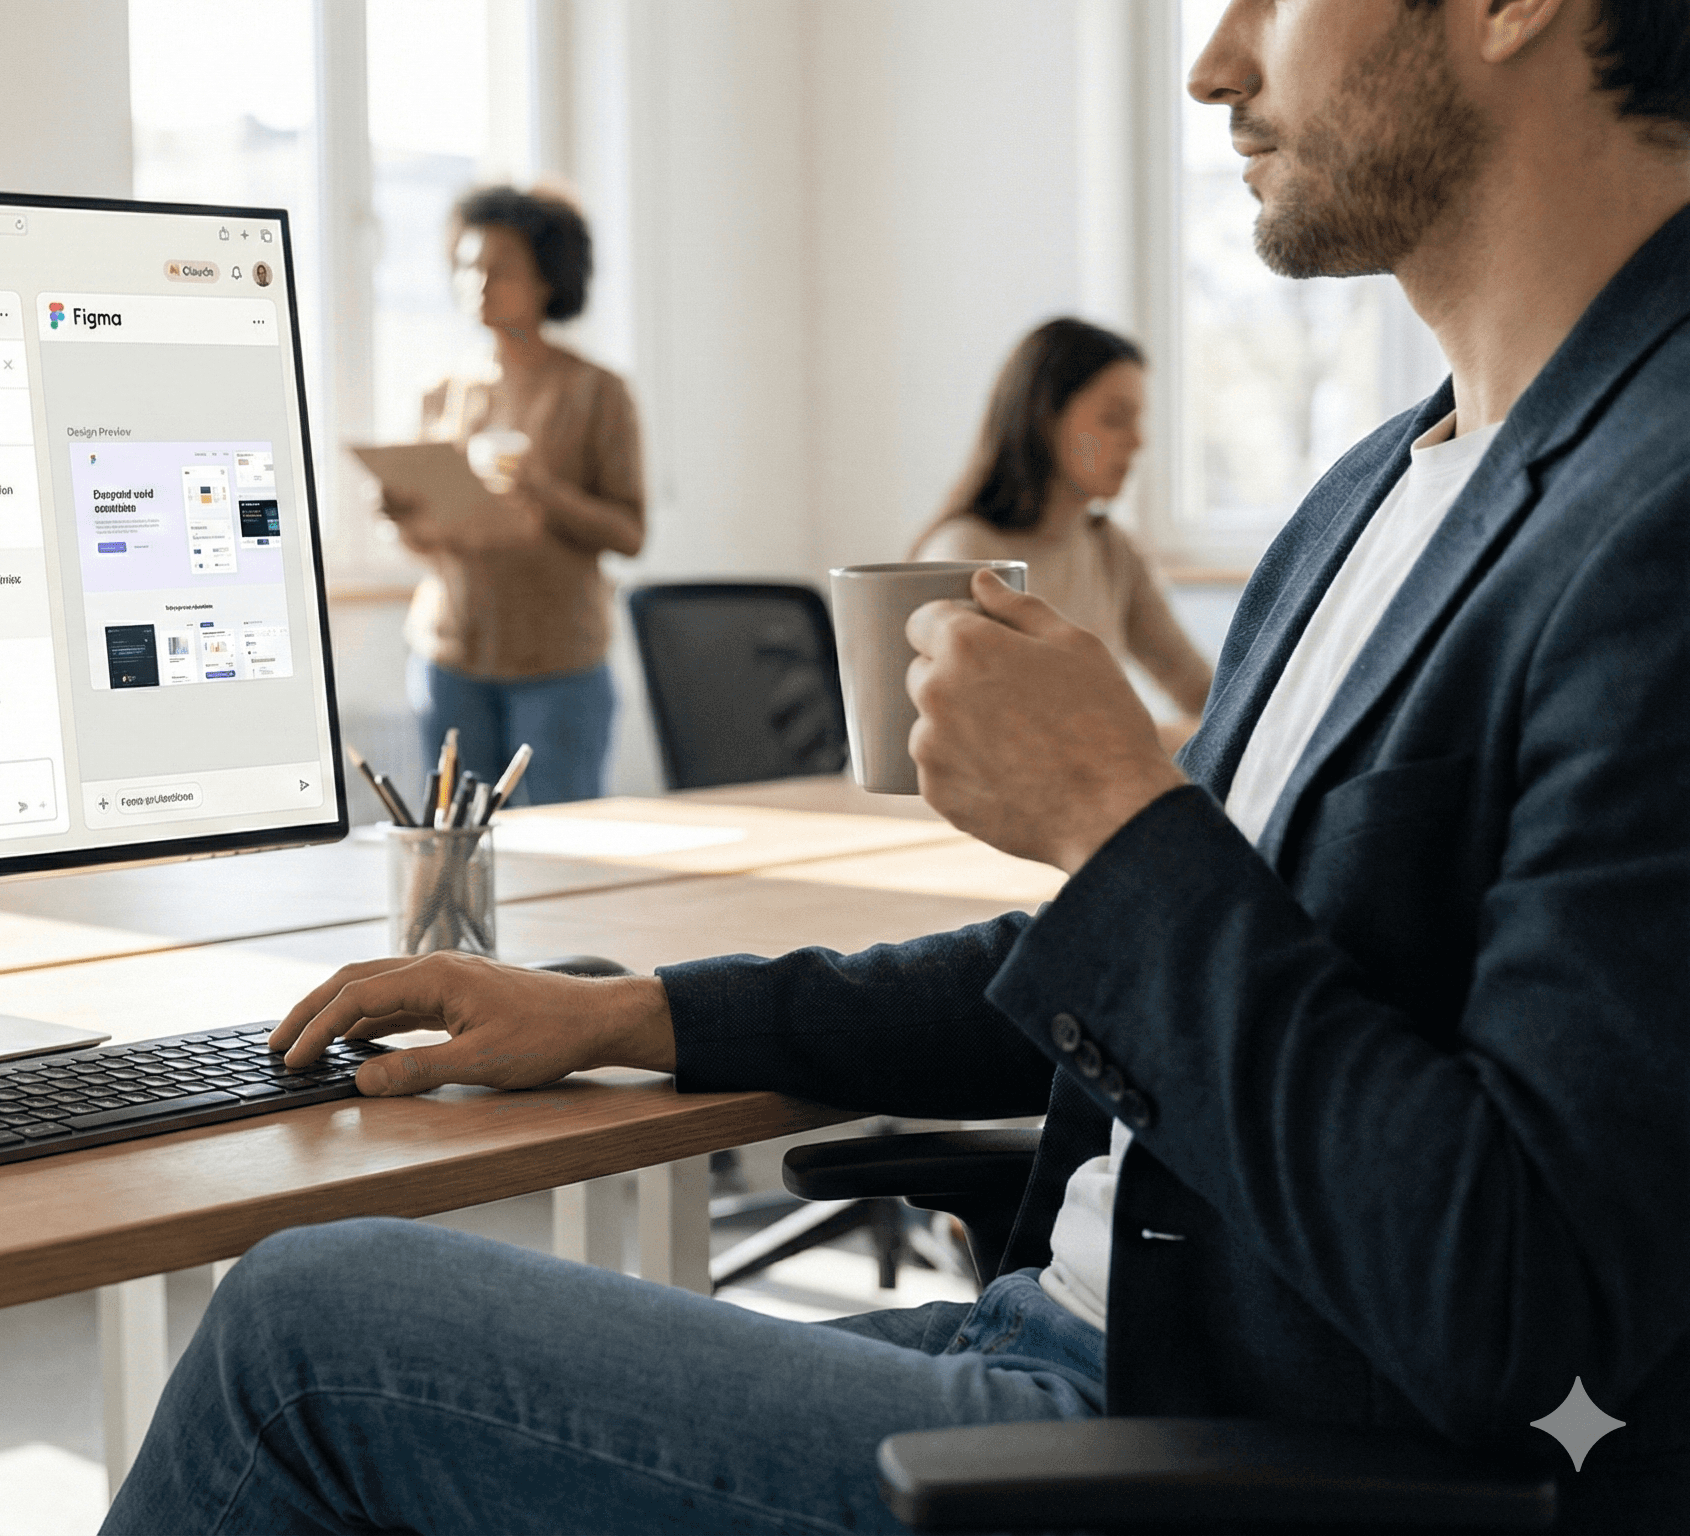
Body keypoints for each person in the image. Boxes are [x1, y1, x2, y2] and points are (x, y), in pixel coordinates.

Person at [104, 1, 1690, 1530]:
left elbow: (1522, 1300)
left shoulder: (1657, 512)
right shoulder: (1383, 486)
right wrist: (632, 1013)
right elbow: (1145, 973)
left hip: (1196, 1442)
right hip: (1051, 1350)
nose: (1212, 63)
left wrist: (1117, 822)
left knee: (308, 1338)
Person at [383, 185, 643, 807]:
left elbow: (630, 534)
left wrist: (546, 493)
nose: (476, 282)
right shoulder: (440, 393)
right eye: (467, 265)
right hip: (449, 657)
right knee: (455, 845)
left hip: (559, 665)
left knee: (562, 844)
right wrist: (403, 516)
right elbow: (428, 543)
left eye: (497, 269)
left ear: (547, 280)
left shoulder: (598, 393)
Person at [916, 319, 1213, 752]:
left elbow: (1202, 690)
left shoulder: (1113, 549)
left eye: (1138, 419)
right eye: (1115, 418)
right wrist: (1171, 739)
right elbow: (1004, 737)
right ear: (1044, 419)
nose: (1137, 441)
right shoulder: (966, 552)